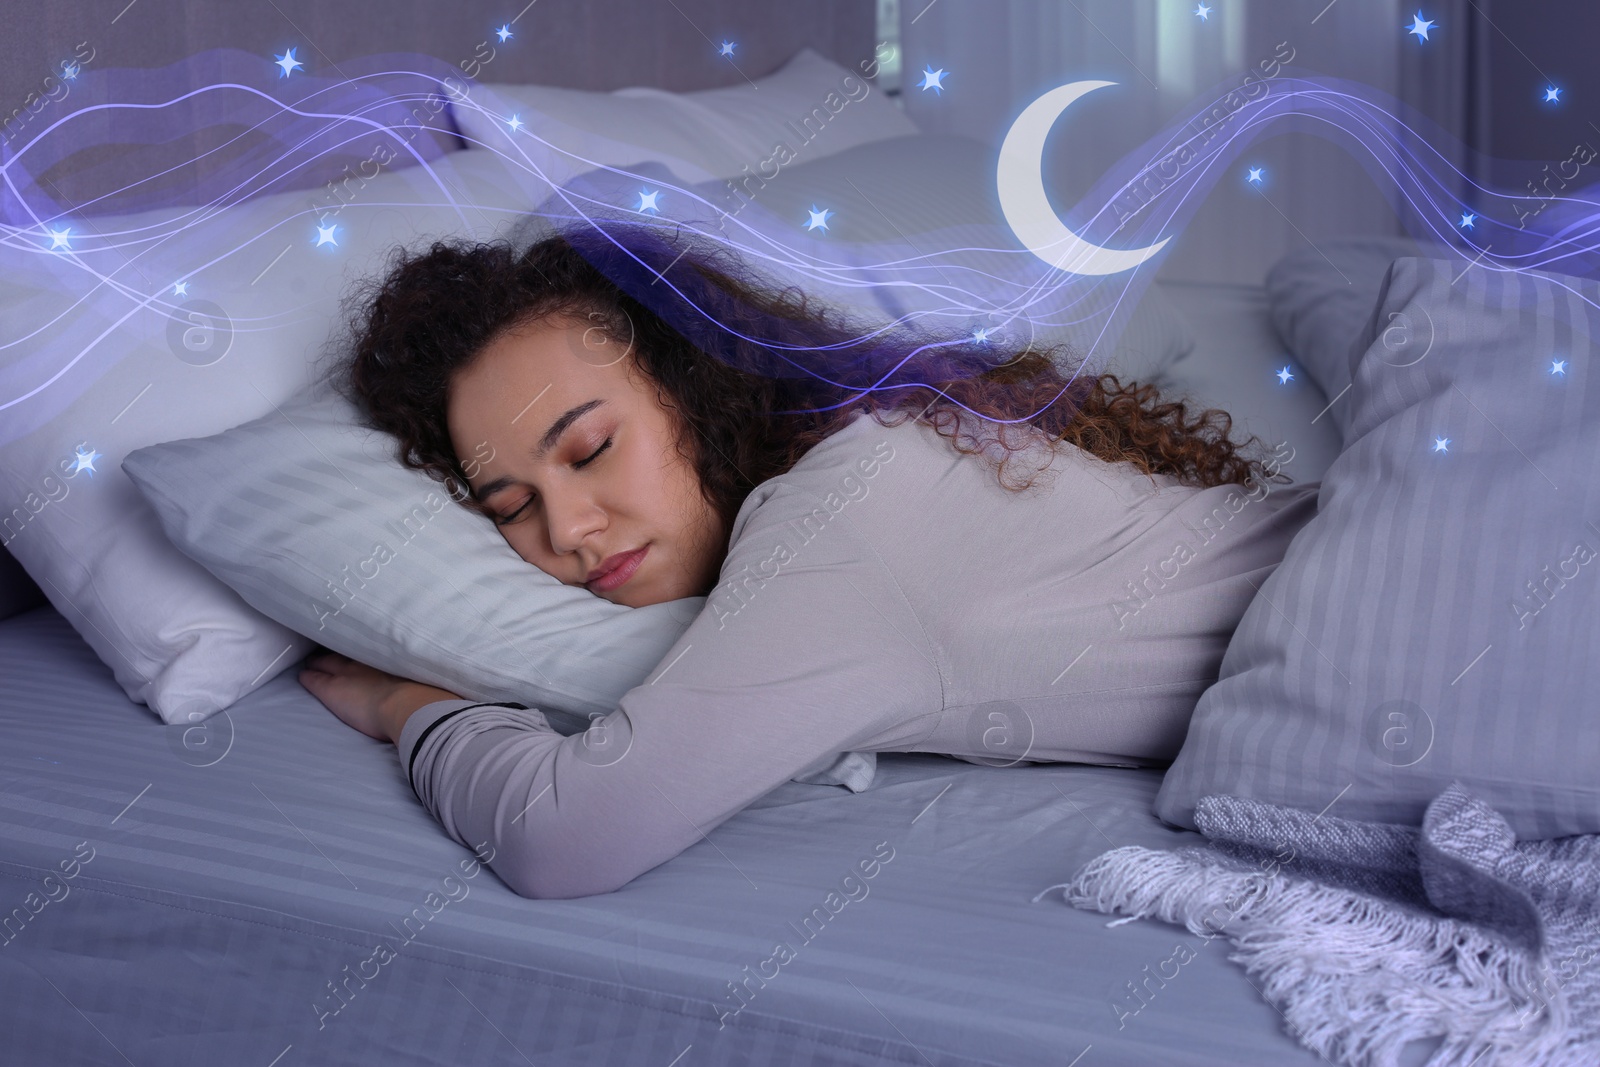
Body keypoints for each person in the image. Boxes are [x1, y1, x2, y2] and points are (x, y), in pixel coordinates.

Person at [299, 226, 1317, 899]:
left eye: (589, 449)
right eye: (510, 507)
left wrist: (409, 706)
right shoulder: (890, 449)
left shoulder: (847, 514)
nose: (568, 530)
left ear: (696, 386)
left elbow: (562, 836)